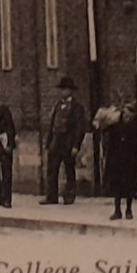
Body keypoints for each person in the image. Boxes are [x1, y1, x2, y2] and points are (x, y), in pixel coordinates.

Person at [40, 76, 89, 205]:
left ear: (70, 91)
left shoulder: (77, 107)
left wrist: (76, 145)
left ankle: (69, 195)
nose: (63, 92)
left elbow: (80, 127)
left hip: (68, 141)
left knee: (69, 169)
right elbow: (53, 124)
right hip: (56, 141)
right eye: (62, 90)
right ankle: (51, 196)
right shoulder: (57, 105)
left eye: (65, 89)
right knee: (52, 169)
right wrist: (48, 142)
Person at [99, 97, 137, 220]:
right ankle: (117, 210)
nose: (127, 115)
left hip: (130, 159)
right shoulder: (116, 123)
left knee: (129, 185)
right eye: (126, 111)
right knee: (116, 185)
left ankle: (128, 209)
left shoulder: (135, 124)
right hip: (116, 158)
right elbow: (103, 128)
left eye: (130, 112)